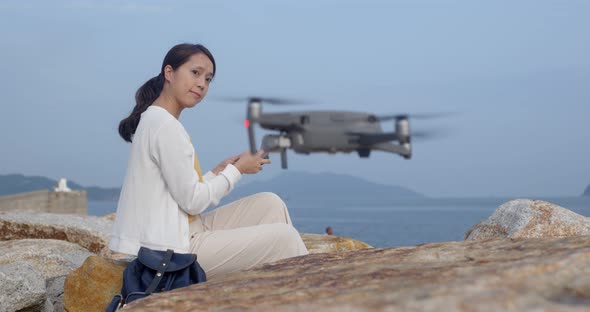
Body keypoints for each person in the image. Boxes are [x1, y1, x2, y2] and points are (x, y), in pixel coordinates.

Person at [109, 43, 308, 280]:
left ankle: (266, 291)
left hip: (182, 231)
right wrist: (236, 170)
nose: (202, 84)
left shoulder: (157, 119)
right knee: (285, 237)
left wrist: (218, 172)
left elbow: (181, 191)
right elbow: (193, 201)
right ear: (169, 73)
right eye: (195, 73)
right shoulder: (165, 127)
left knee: (270, 203)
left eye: (208, 78)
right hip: (169, 252)